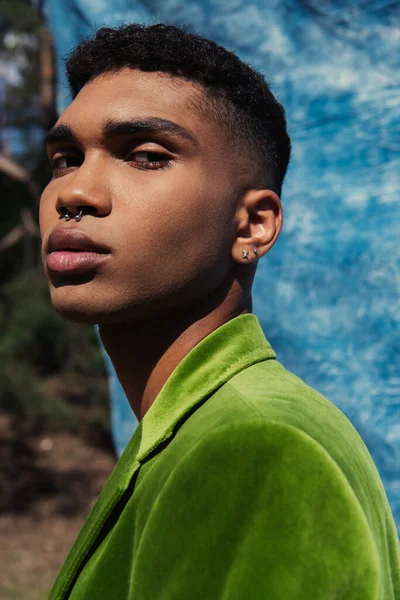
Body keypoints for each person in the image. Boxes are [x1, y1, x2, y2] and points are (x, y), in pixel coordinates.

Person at [40, 23, 399, 600]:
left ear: (253, 224)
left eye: (147, 156)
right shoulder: (187, 430)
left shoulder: (259, 450)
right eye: (64, 158)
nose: (76, 192)